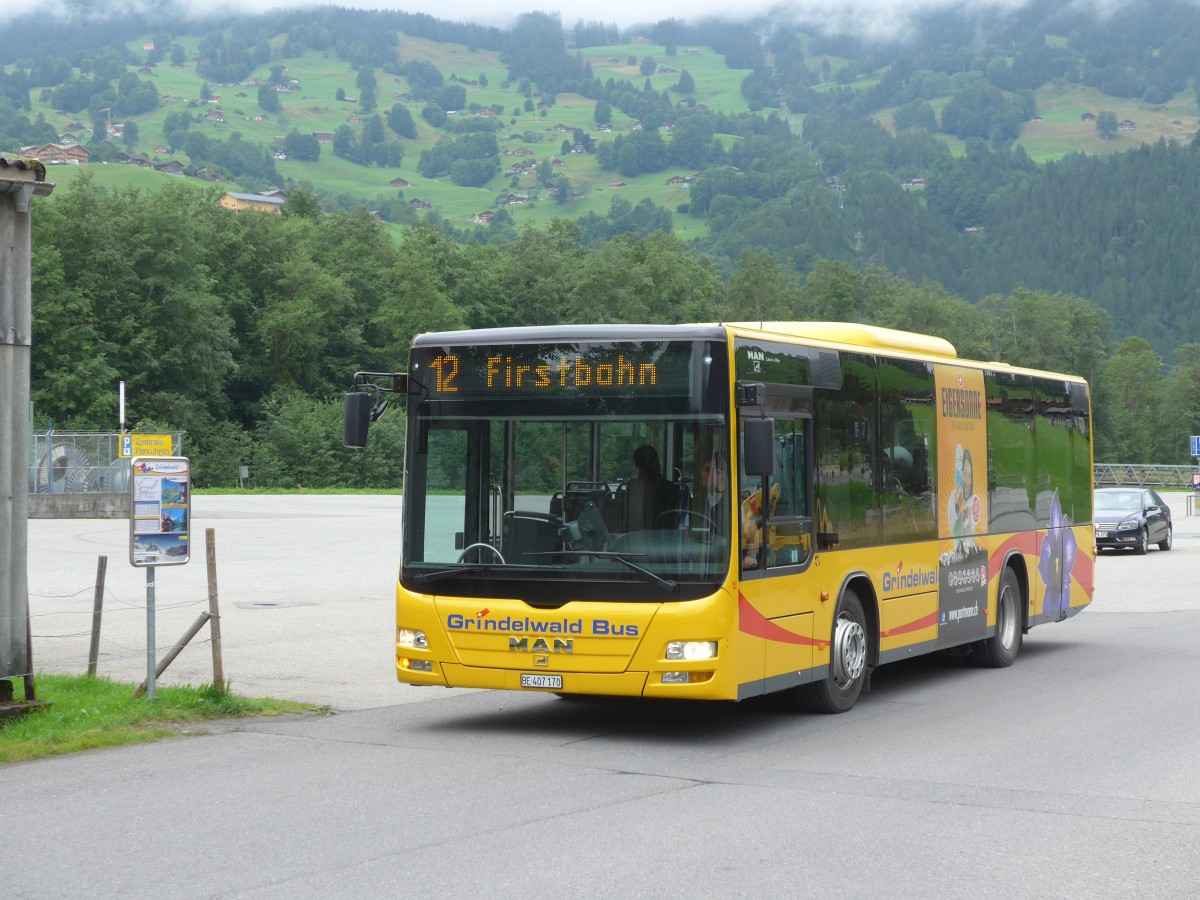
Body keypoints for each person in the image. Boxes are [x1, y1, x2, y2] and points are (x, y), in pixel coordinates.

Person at [625, 444, 676, 531]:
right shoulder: (670, 488)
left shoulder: (633, 485)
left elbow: (629, 517)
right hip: (663, 539)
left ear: (637, 465)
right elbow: (671, 522)